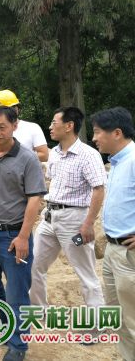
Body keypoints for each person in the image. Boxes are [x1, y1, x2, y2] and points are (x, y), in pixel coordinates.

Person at [0, 106, 47, 361]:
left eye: (2, 127)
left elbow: (35, 199)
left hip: (14, 235)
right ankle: (5, 327)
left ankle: (18, 345)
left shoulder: (28, 158)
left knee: (17, 292)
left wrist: (24, 236)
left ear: (14, 125)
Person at [30, 107, 106, 320]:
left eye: (54, 123)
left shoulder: (88, 155)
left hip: (74, 220)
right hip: (49, 217)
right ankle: (38, 311)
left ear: (69, 126)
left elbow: (99, 189)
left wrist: (88, 224)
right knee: (34, 265)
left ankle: (96, 324)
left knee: (85, 273)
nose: (50, 127)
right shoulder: (54, 153)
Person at [91, 107, 135, 360]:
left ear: (116, 133)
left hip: (129, 253)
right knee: (119, 318)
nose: (94, 138)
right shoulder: (118, 162)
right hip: (113, 250)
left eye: (98, 132)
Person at [0, 89, 49, 162]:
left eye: (4, 111)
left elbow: (44, 155)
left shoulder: (32, 128)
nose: (0, 114)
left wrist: (15, 158)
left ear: (16, 109)